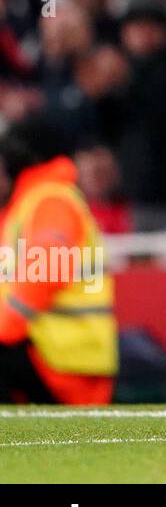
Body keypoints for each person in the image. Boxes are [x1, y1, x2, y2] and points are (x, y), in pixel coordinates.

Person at [0, 118, 117, 404]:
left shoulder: (51, 201)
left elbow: (43, 279)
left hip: (66, 365)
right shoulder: (33, 202)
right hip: (56, 356)